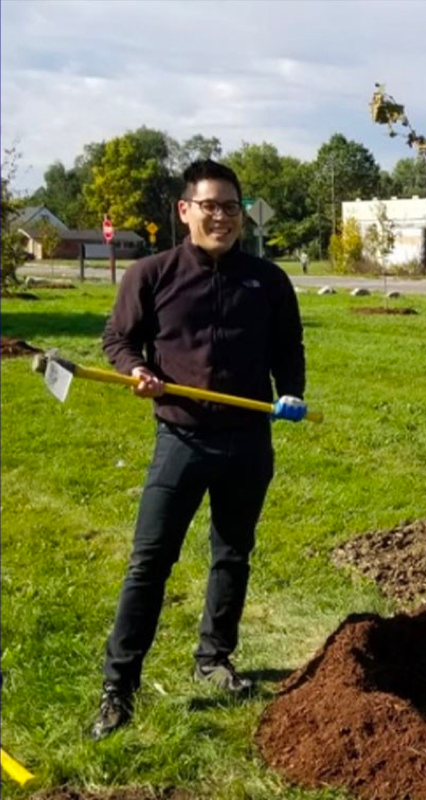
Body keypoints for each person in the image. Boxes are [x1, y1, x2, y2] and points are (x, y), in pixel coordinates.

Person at [92, 159, 309, 739]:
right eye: (209, 205)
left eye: (231, 207)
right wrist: (136, 368)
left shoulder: (268, 281)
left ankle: (214, 658)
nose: (221, 216)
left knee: (232, 553)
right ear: (185, 210)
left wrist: (291, 392)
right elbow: (117, 337)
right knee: (149, 562)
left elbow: (288, 347)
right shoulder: (152, 274)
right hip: (180, 438)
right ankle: (119, 688)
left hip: (247, 439)